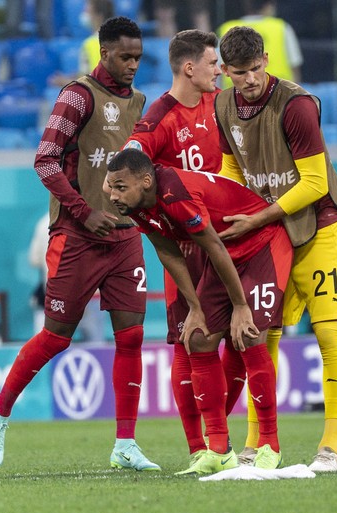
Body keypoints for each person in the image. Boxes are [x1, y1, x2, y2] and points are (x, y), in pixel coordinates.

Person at [0, 17, 159, 472]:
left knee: (132, 337)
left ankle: (125, 443)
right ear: (103, 54)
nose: (133, 64)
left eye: (138, 56)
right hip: (77, 237)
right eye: (125, 56)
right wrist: (83, 212)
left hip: (124, 238)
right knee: (57, 337)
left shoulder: (139, 102)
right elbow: (43, 160)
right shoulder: (77, 95)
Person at [104, 148, 293, 474]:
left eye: (120, 187)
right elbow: (168, 252)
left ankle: (269, 445)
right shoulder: (135, 207)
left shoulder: (174, 193)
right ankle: (219, 449)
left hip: (262, 242)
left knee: (248, 337)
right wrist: (194, 307)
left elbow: (213, 246)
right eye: (110, 186)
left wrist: (239, 306)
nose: (111, 195)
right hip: (226, 253)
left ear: (146, 181)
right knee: (198, 338)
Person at [215, 26, 337, 472]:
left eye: (256, 69)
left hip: (322, 223)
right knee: (261, 334)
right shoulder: (221, 104)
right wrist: (238, 210)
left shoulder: (295, 105)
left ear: (267, 59)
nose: (250, 80)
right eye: (239, 73)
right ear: (225, 72)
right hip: (270, 226)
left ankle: (329, 445)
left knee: (329, 331)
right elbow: (231, 165)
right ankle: (256, 443)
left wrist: (257, 217)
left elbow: (313, 183)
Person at [122, 29, 249, 467]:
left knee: (242, 336)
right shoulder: (159, 118)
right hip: (187, 245)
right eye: (214, 63)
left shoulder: (225, 105)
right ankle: (201, 449)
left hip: (232, 236)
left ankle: (224, 438)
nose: (221, 70)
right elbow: (125, 166)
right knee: (187, 341)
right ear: (189, 68)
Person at [217, 0, 302, 85]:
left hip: (236, 94)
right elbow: (295, 69)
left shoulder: (226, 29)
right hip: (279, 93)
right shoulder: (282, 27)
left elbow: (217, 71)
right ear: (269, 4)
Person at [49, 0, 113, 88]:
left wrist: (64, 81)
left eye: (87, 11)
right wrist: (75, 76)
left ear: (99, 16)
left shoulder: (91, 44)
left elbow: (91, 84)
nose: (84, 15)